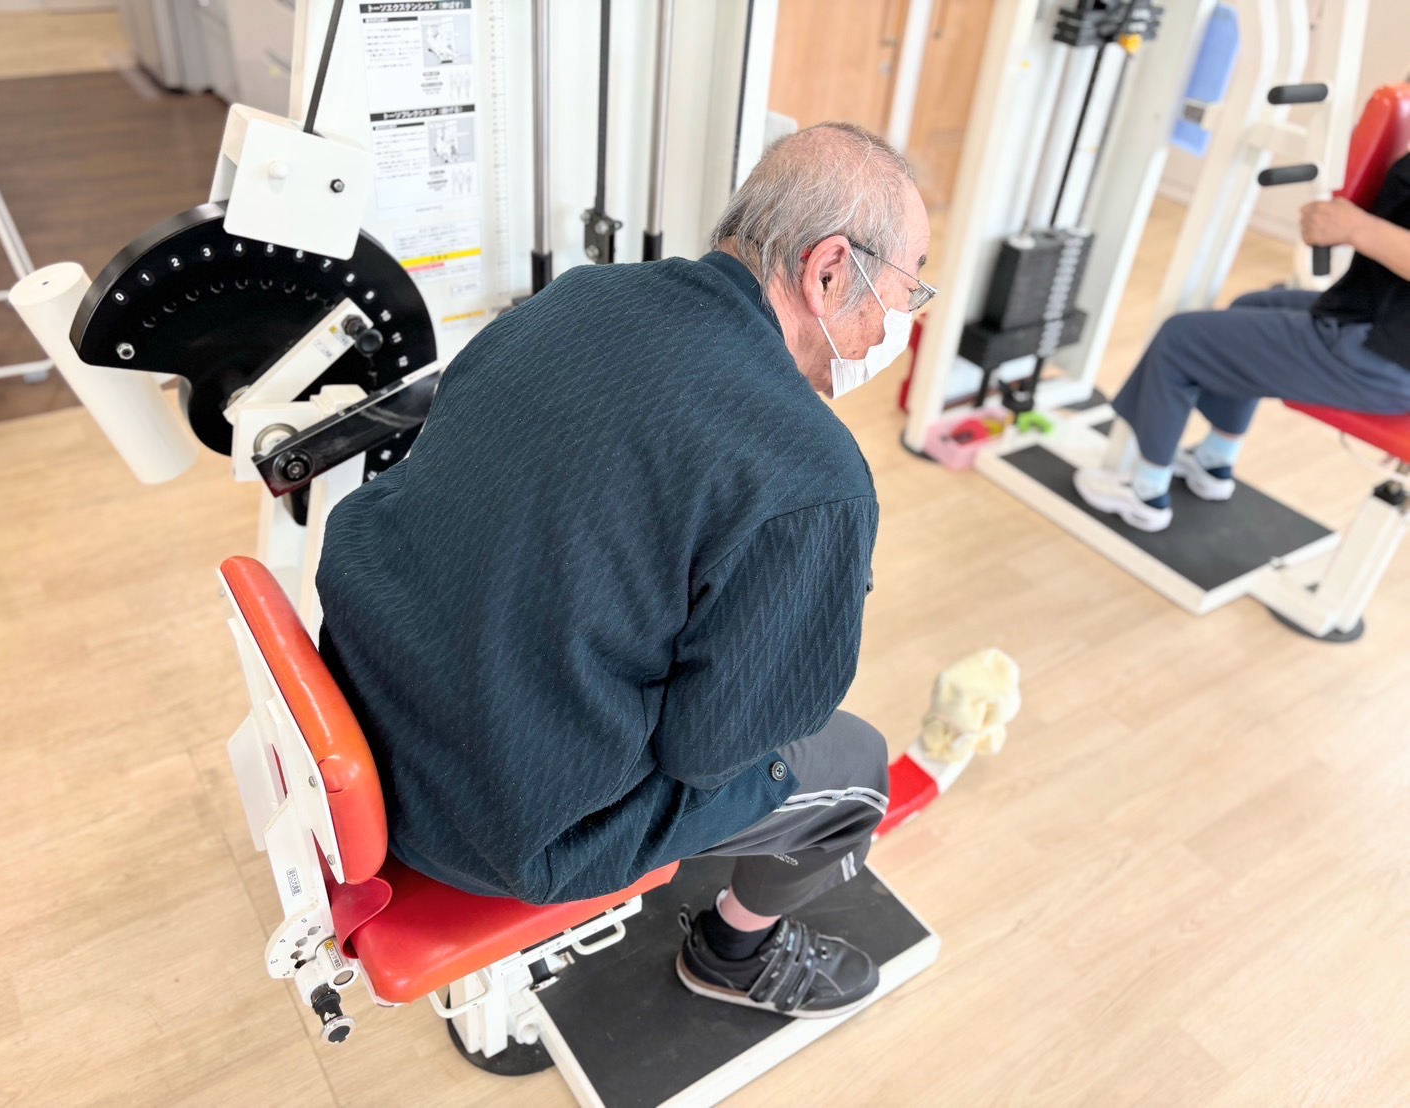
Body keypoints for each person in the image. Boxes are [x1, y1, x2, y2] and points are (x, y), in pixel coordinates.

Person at [315, 123, 934, 1018]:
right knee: (858, 767)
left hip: (369, 700)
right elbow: (711, 749)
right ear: (829, 270)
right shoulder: (811, 473)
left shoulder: (576, 296)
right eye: (908, 287)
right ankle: (732, 954)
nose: (900, 322)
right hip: (506, 823)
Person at [1074, 152, 1410, 532]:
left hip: (1378, 354)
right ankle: (1214, 461)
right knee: (1251, 307)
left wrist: (1357, 228)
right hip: (1372, 317)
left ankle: (1145, 492)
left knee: (1180, 340)